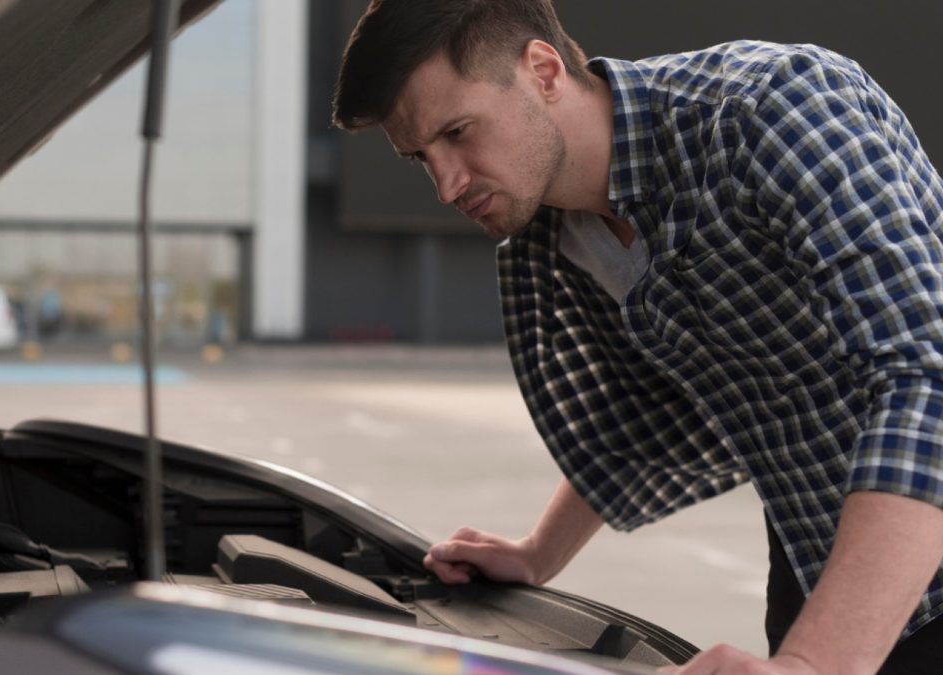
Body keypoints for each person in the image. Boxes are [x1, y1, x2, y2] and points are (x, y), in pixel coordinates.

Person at [332, 1, 943, 673]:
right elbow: (652, 416)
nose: (446, 183)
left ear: (542, 70)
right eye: (422, 156)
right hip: (821, 568)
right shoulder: (545, 236)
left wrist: (811, 661)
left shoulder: (771, 109)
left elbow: (925, 379)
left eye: (458, 131)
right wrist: (538, 552)